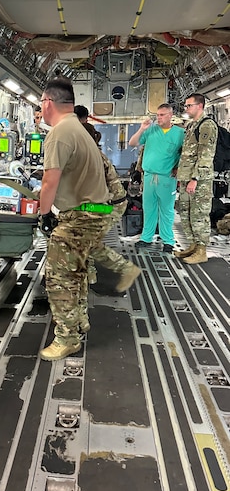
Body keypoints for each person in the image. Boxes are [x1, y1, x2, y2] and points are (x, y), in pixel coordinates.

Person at [38, 78, 140, 362]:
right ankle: (79, 321)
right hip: (93, 212)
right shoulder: (80, 130)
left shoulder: (59, 134)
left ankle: (67, 339)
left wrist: (44, 214)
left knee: (60, 279)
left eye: (40, 104)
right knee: (79, 273)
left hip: (79, 216)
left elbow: (50, 181)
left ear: (48, 102)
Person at [80, 126, 140, 293]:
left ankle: (125, 269)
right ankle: (89, 276)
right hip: (106, 203)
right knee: (86, 238)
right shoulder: (88, 154)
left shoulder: (92, 157)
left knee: (85, 238)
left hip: (110, 206)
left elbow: (90, 191)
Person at [129, 104, 185, 252]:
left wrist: (179, 168)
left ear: (170, 115)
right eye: (157, 115)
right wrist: (142, 128)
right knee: (149, 208)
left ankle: (168, 240)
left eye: (162, 115)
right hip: (148, 177)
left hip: (166, 178)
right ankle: (146, 238)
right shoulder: (151, 130)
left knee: (166, 210)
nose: (158, 118)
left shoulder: (180, 133)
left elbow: (186, 154)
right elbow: (132, 143)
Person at [175, 93, 218, 264]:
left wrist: (195, 178)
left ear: (199, 106)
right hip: (186, 177)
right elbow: (188, 153)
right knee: (185, 212)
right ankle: (193, 244)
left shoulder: (207, 126)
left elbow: (205, 155)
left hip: (198, 179)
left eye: (189, 105)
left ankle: (201, 250)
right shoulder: (192, 125)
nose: (186, 109)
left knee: (199, 214)